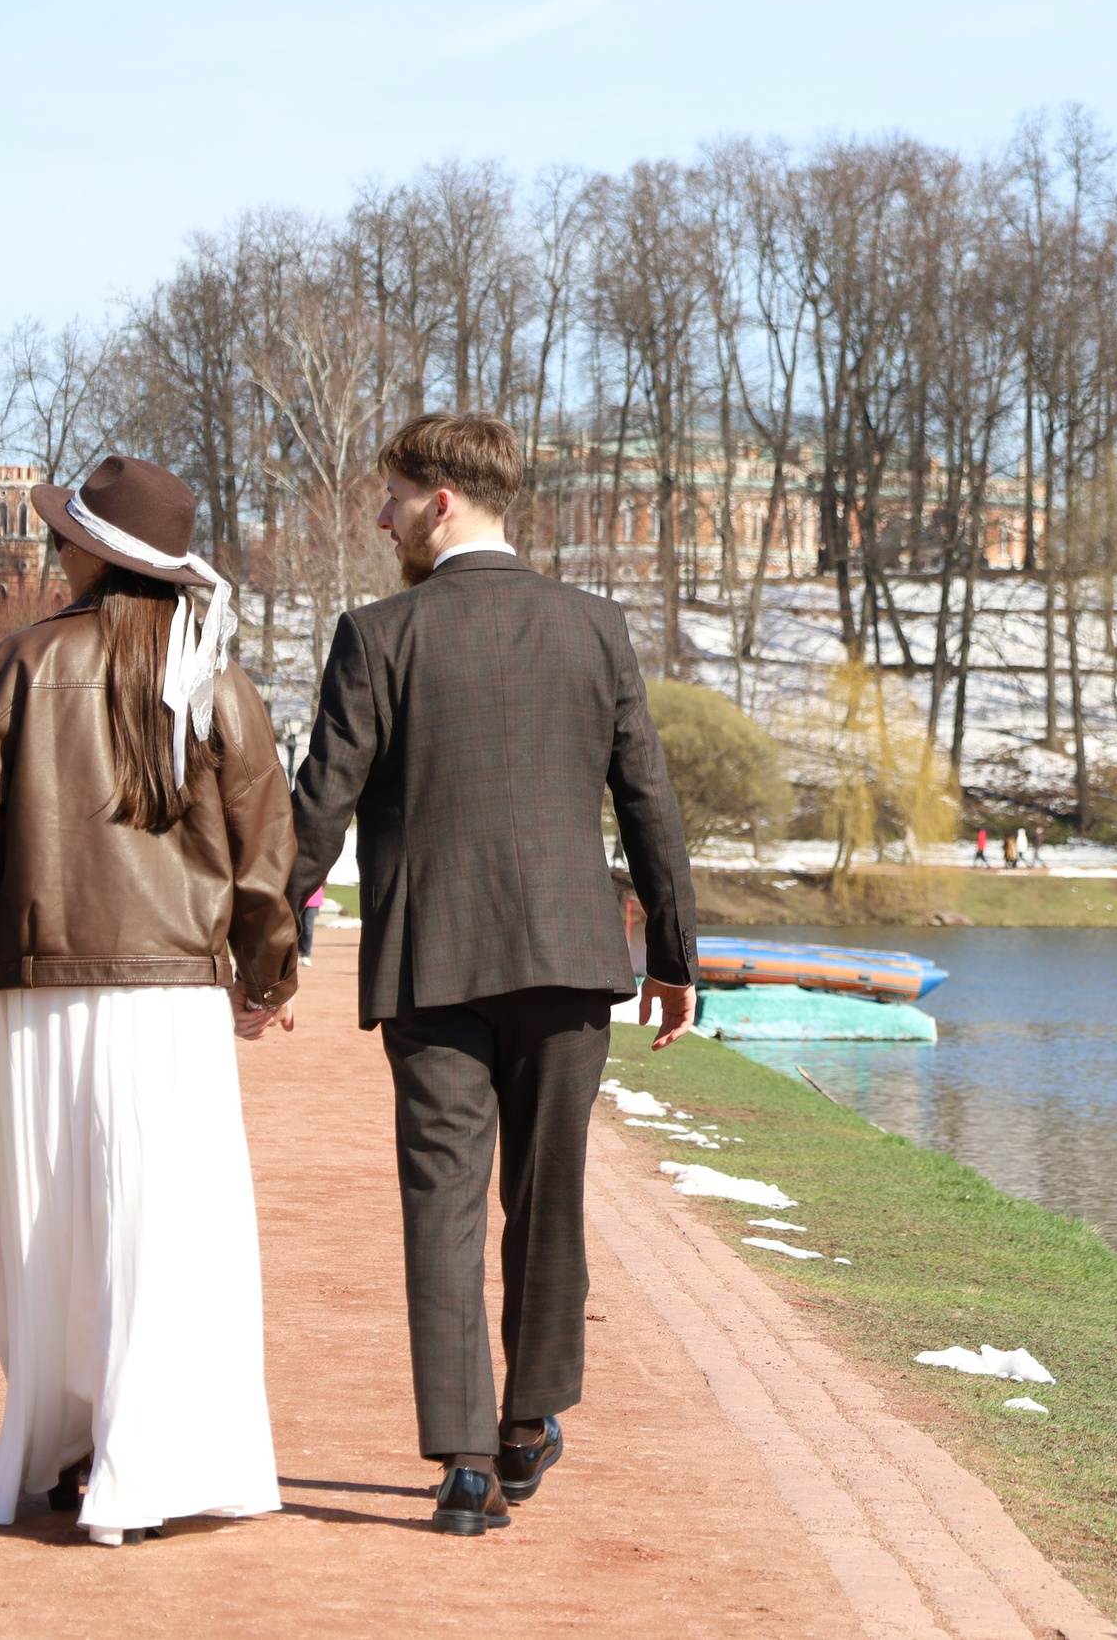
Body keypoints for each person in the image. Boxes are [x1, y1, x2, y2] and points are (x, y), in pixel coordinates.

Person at [287, 412, 697, 1539]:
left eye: (391, 497)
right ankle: (526, 1425)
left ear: (441, 502)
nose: (381, 518)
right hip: (567, 957)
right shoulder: (595, 627)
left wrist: (266, 945)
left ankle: (465, 1466)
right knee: (548, 1195)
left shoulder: (378, 635)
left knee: (444, 1202)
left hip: (433, 962)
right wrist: (673, 955)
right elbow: (648, 800)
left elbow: (320, 806)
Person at [0, 455, 300, 1548]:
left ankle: (69, 1446)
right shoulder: (216, 680)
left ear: (92, 554)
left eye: (65, 535)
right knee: (164, 1232)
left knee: (44, 1234)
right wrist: (267, 975)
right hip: (170, 1004)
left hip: (32, 994)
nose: (54, 549)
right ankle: (148, 1456)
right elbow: (264, 846)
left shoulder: (19, 664)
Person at [299, 882, 326, 959]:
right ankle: (298, 949)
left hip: (313, 900)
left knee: (307, 927)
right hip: (299, 899)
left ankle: (305, 953)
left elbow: (323, 882)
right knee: (297, 926)